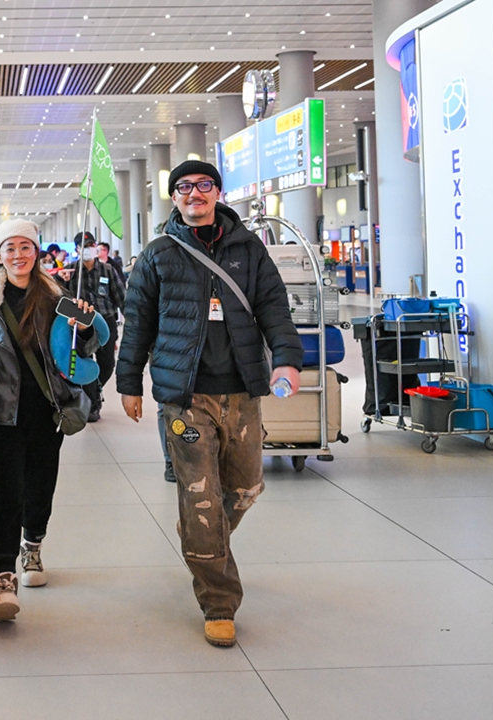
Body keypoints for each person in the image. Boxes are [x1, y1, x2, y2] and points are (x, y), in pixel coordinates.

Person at [116, 160, 302, 648]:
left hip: (243, 391)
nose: (193, 194)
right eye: (183, 187)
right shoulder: (158, 254)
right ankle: (219, 601)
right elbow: (137, 324)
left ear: (218, 192)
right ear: (173, 197)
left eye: (202, 186)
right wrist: (129, 381)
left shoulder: (247, 249)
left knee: (244, 489)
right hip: (185, 397)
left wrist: (287, 360)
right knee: (200, 496)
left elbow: (274, 308)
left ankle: (203, 537)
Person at [0, 218, 97, 623]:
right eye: (10, 248)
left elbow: (84, 347)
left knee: (40, 485)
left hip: (47, 409)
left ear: (37, 251)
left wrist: (84, 327)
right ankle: (4, 574)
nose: (18, 255)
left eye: (25, 247)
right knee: (6, 492)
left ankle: (34, 544)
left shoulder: (56, 297)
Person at [57, 232, 125, 422]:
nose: (88, 249)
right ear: (77, 249)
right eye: (84, 246)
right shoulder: (70, 272)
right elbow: (57, 298)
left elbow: (121, 296)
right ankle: (93, 403)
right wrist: (61, 280)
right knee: (85, 362)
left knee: (107, 364)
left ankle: (95, 390)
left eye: (91, 245)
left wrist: (133, 322)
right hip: (80, 326)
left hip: (106, 321)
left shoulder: (108, 270)